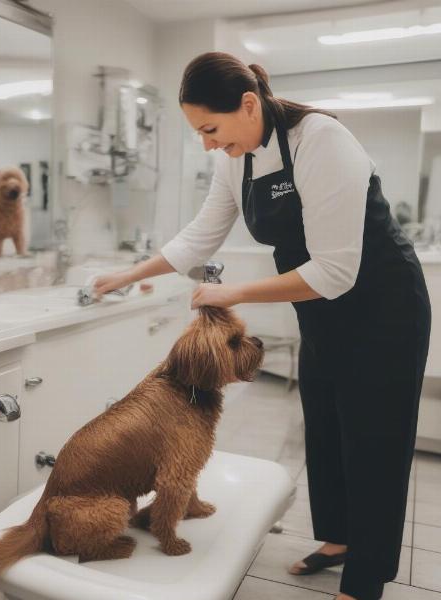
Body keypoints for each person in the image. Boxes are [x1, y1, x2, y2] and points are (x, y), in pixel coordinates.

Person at [93, 52, 431, 600]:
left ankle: (366, 578)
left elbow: (336, 270)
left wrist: (238, 291)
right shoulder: (237, 156)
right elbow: (201, 236)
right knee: (324, 425)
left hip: (383, 309)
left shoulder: (320, 139)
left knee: (375, 439)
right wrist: (128, 276)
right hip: (321, 311)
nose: (206, 143)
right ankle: (340, 540)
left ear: (248, 105)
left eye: (210, 128)